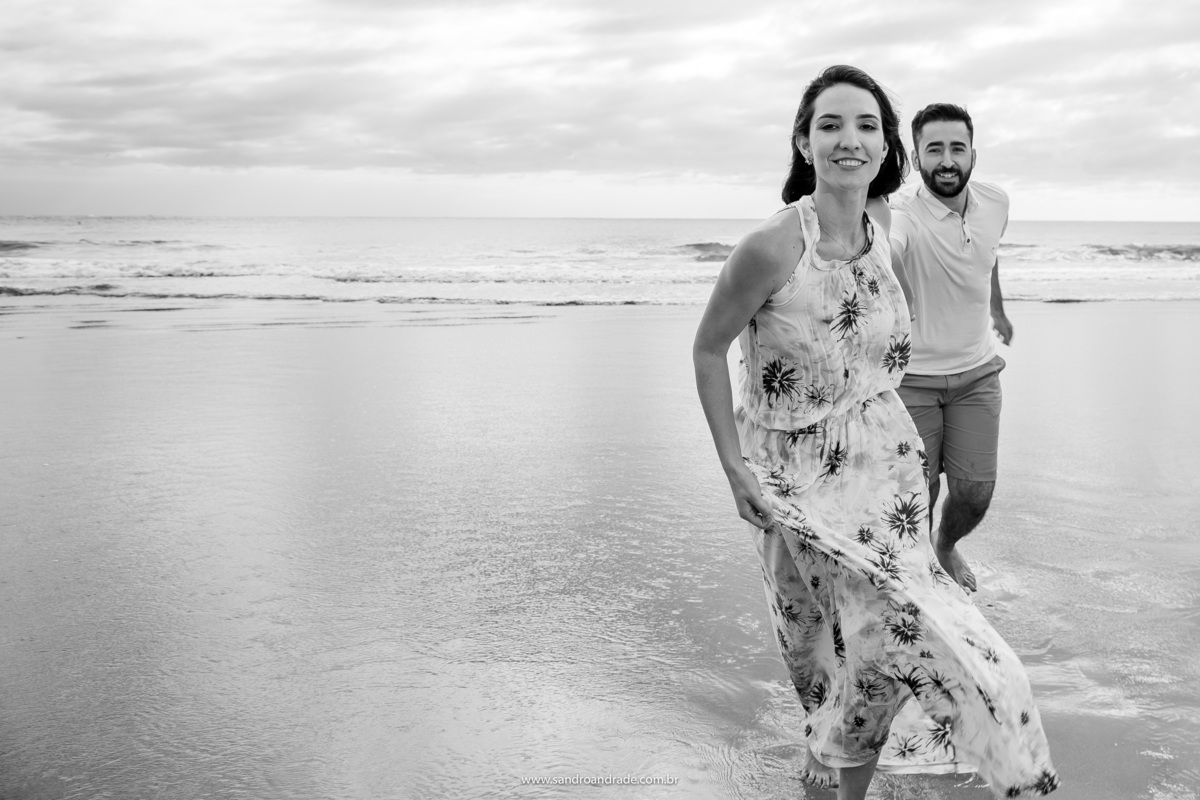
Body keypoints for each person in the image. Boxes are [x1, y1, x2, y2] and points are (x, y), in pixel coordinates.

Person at [693, 65, 1057, 799]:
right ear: (804, 141)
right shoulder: (770, 246)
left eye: (866, 125)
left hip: (882, 469)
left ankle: (866, 770)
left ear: (887, 144)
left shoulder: (884, 225)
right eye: (830, 124)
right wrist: (733, 469)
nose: (848, 139)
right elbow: (707, 348)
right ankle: (829, 766)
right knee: (825, 655)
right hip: (793, 482)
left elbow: (970, 259)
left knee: (905, 636)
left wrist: (988, 325)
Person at [889, 103, 1011, 593]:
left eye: (956, 148)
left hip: (977, 371)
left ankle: (945, 543)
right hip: (910, 381)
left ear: (973, 154)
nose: (946, 159)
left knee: (975, 493)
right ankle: (920, 571)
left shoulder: (996, 202)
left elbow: (988, 256)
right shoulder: (902, 213)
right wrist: (901, 288)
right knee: (919, 491)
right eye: (933, 149)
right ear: (917, 158)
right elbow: (888, 247)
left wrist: (998, 311)